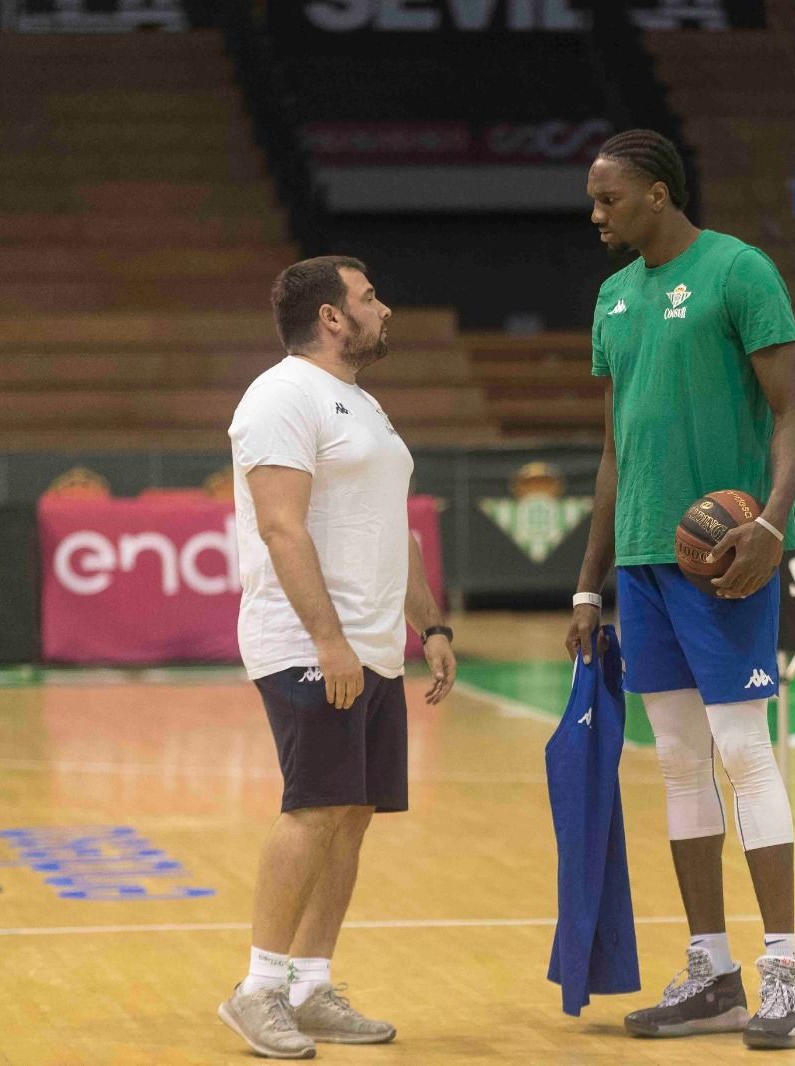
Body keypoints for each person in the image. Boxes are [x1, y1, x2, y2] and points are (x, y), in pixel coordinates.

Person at [565, 130, 795, 1050]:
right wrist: (590, 586)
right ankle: (712, 969)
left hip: (724, 559)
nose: (596, 215)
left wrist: (772, 524)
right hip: (640, 561)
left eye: (609, 199)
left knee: (743, 752)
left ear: (659, 194)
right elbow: (615, 450)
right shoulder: (612, 299)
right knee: (677, 760)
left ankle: (783, 971)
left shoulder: (737, 273)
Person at [219, 255, 457, 1059]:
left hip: (376, 644)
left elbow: (395, 527)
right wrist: (328, 640)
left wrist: (432, 626)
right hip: (308, 643)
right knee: (315, 807)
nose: (383, 309)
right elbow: (282, 527)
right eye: (368, 297)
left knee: (352, 815)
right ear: (330, 316)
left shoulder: (363, 404)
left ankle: (312, 984)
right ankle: (258, 989)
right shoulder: (281, 396)